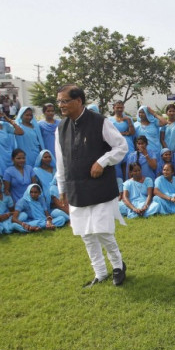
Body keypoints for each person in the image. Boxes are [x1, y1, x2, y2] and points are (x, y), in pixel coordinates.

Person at [55, 84, 128, 287]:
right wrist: (62, 188)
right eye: (59, 101)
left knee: (103, 231)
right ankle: (100, 272)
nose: (61, 105)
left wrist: (102, 162)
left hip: (99, 187)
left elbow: (121, 146)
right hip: (76, 187)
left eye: (64, 101)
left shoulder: (100, 122)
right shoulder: (61, 128)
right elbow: (60, 161)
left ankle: (118, 266)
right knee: (86, 234)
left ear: (78, 101)